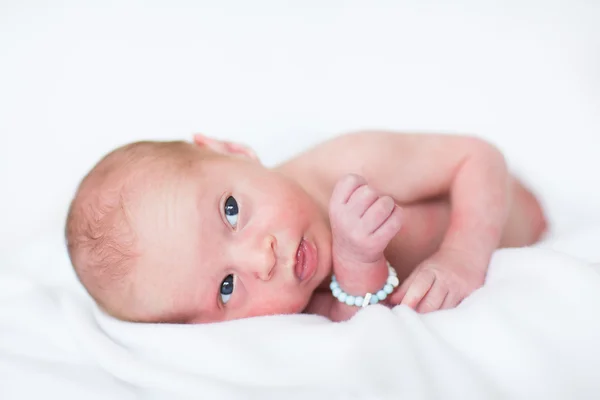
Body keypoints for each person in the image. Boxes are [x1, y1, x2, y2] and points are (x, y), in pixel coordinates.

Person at [65, 131, 547, 323]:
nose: (262, 258)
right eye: (227, 288)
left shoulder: (347, 165)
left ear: (232, 151)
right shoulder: (298, 308)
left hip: (518, 209)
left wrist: (461, 254)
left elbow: (476, 157)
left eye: (232, 211)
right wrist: (359, 265)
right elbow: (359, 315)